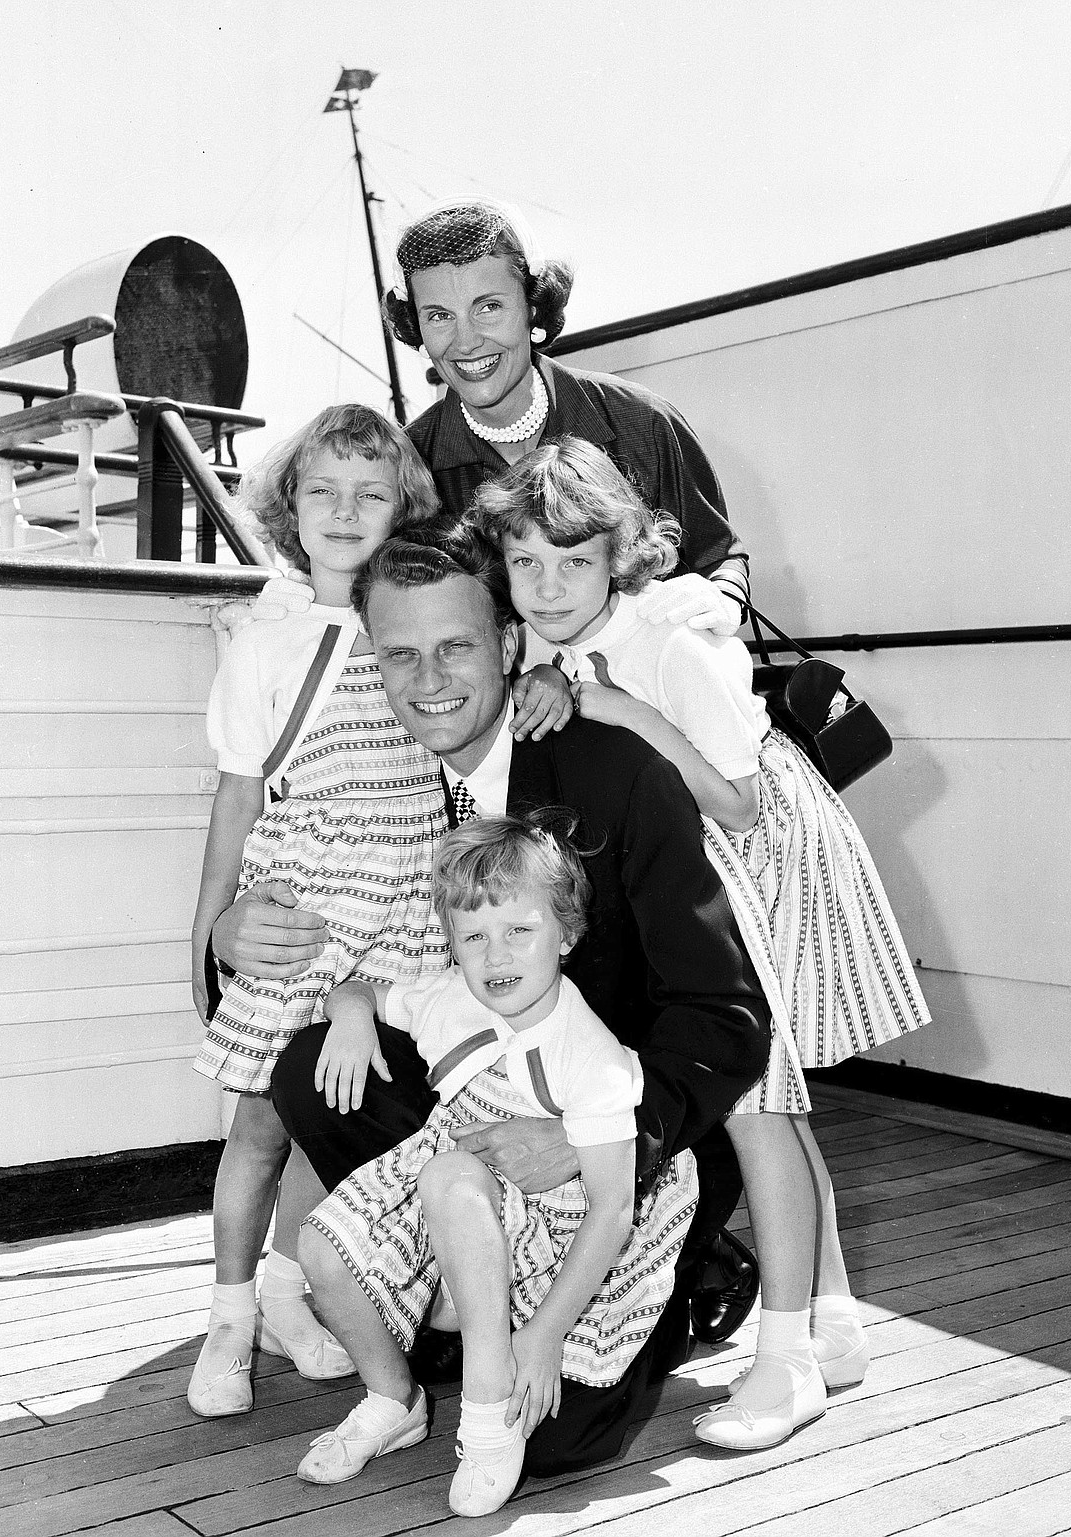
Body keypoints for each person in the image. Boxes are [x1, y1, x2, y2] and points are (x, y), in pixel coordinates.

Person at [254, 523, 773, 1473]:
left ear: (506, 643)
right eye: (399, 653)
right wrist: (232, 932)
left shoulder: (617, 775)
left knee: (548, 1446)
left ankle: (688, 1264)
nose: (428, 678)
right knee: (313, 1067)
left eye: (454, 645)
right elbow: (282, 885)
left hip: (619, 1135)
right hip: (477, 1116)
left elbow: (726, 1022)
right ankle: (454, 1300)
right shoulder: (384, 771)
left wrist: (584, 1140)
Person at [472, 436, 932, 1451]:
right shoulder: (542, 644)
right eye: (527, 564)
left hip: (748, 864)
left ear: (618, 559)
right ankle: (836, 1318)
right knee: (776, 1112)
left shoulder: (677, 643)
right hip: (680, 865)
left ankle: (789, 1361)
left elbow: (742, 803)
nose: (549, 586)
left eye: (574, 562)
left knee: (755, 1106)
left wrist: (626, 712)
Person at [295, 815, 698, 1517]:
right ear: (451, 945)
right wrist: (353, 1017)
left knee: (449, 1176)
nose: (496, 954)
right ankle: (394, 1398)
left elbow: (612, 1208)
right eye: (473, 936)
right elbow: (356, 989)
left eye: (520, 930)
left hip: (553, 1227)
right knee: (322, 1246)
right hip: (457, 1190)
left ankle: (487, 1402)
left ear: (566, 934)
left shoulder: (589, 1054)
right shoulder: (451, 998)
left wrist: (541, 1336)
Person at [185, 404, 453, 1419]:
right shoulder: (263, 637)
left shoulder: (415, 620)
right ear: (289, 504)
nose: (345, 511)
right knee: (258, 1123)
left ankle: (303, 1293)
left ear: (403, 505)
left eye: (370, 492)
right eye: (323, 490)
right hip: (302, 899)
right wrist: (207, 938)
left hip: (403, 904)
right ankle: (232, 1316)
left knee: (342, 1110)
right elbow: (238, 797)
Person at [255, 197, 747, 637]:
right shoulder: (411, 461)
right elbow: (367, 579)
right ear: (416, 327)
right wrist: (299, 597)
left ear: (534, 308)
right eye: (440, 315)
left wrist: (721, 596)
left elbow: (719, 555)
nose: (465, 341)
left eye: (488, 307)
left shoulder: (640, 420)